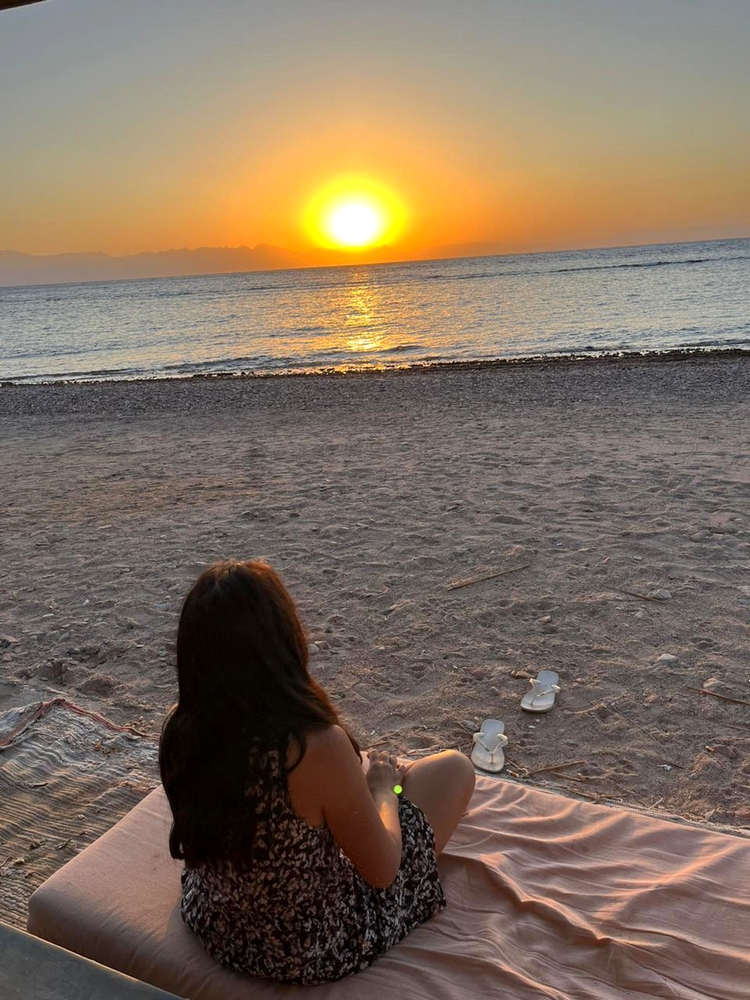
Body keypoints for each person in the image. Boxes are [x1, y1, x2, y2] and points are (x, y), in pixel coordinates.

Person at [159, 559, 475, 985]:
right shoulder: (311, 747)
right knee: (454, 769)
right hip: (310, 947)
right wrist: (382, 790)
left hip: (217, 923)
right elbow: (383, 872)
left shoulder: (181, 728)